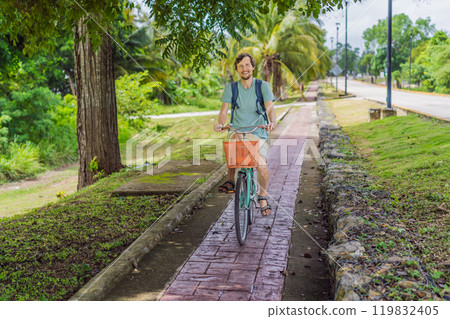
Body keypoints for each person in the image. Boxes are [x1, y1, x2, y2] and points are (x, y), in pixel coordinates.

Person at [214, 53, 277, 216]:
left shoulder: (262, 86)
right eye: (240, 66)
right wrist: (221, 124)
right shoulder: (231, 88)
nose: (244, 69)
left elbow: (270, 108)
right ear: (237, 69)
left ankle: (262, 196)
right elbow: (223, 111)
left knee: (262, 167)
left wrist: (272, 122)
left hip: (259, 132)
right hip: (238, 131)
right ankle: (231, 180)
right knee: (233, 143)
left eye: (247, 65)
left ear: (253, 67)